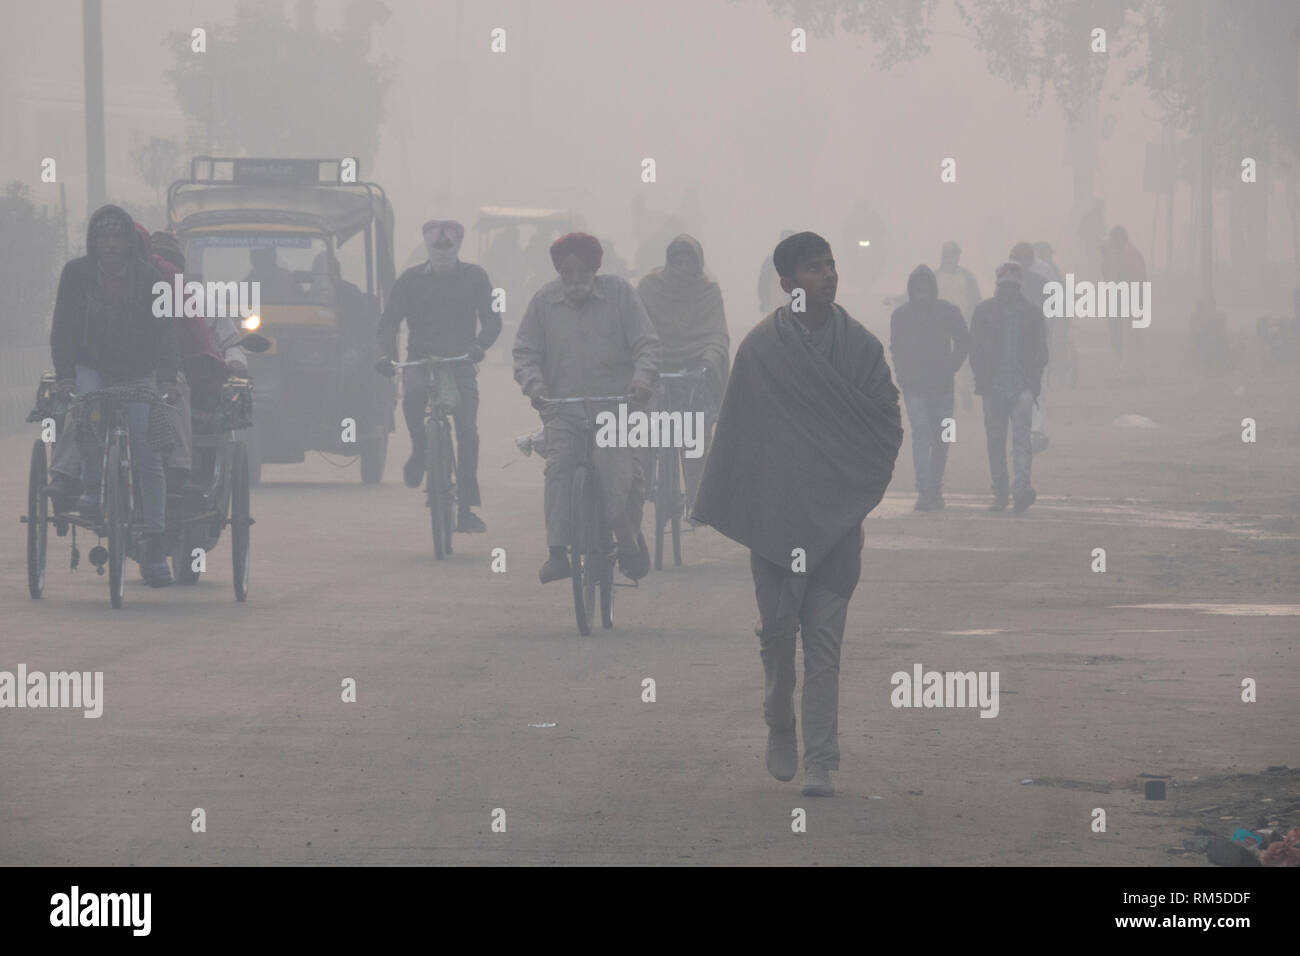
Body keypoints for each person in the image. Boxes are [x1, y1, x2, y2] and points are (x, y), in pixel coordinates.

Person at [692, 232, 903, 798]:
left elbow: (885, 423)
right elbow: (737, 433)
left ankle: (820, 761)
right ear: (787, 284)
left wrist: (846, 486)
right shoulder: (761, 350)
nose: (828, 276)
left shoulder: (861, 349)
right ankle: (778, 722)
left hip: (836, 527)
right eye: (813, 268)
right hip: (776, 523)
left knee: (825, 646)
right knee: (779, 641)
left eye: (830, 265)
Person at [513, 232, 659, 585]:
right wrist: (536, 388)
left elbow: (646, 344)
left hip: (616, 407)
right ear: (558, 272)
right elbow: (525, 353)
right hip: (562, 409)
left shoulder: (621, 295)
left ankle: (627, 540)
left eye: (582, 273)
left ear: (595, 269)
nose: (575, 280)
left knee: (618, 482)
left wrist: (641, 380)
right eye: (567, 273)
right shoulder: (543, 302)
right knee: (559, 469)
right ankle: (557, 552)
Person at [48, 204, 179, 586]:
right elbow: (63, 327)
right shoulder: (76, 275)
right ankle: (91, 487)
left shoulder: (151, 278)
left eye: (117, 237)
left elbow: (166, 332)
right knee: (86, 410)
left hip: (138, 373)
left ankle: (154, 542)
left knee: (147, 450)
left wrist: (168, 377)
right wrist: (66, 375)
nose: (110, 245)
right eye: (103, 237)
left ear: (129, 242)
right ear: (94, 241)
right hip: (91, 368)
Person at [378, 219, 498, 532]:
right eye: (437, 247)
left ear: (458, 247)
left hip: (460, 362)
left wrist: (479, 346)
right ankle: (420, 449)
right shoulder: (410, 281)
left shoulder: (475, 278)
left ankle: (467, 507)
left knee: (468, 433)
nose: (443, 252)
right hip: (421, 361)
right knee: (413, 400)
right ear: (427, 247)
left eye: (449, 247)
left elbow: (492, 320)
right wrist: (387, 357)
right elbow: (389, 322)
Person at [635, 234, 730, 516]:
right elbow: (638, 330)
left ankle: (697, 501)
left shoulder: (708, 292)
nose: (682, 266)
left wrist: (708, 363)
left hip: (694, 372)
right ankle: (639, 493)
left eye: (688, 260)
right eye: (677, 260)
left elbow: (717, 334)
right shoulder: (649, 288)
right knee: (642, 437)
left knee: (696, 439)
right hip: (654, 370)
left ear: (698, 263)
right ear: (668, 261)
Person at [968, 261, 1049, 514]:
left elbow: (1041, 353)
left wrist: (1032, 383)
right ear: (998, 286)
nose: (1009, 291)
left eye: (1013, 286)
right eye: (1005, 286)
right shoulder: (983, 312)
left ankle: (1021, 489)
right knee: (996, 441)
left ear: (1019, 286)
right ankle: (1001, 493)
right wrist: (982, 380)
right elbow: (975, 350)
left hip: (1021, 386)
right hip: (993, 387)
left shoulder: (1033, 315)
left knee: (1021, 440)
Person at [889, 264, 969, 511]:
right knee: (922, 435)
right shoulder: (900, 315)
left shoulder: (948, 312)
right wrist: (902, 374)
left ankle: (934, 486)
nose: (922, 291)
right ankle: (926, 489)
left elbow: (964, 341)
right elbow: (896, 347)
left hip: (943, 387)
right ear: (912, 289)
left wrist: (952, 366)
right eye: (917, 287)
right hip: (914, 387)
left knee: (943, 438)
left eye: (925, 287)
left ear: (932, 288)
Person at [935, 241, 981, 413]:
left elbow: (976, 301)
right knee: (942, 361)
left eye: (955, 254)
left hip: (963, 324)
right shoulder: (935, 276)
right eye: (950, 254)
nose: (953, 258)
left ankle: (965, 393)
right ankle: (948, 395)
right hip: (940, 327)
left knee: (964, 364)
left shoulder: (967, 277)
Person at [1100, 225, 1146, 363]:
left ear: (1120, 239)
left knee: (1128, 326)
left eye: (1113, 240)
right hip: (1122, 293)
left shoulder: (1129, 253)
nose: (1112, 243)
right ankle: (1123, 351)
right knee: (1119, 324)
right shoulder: (1119, 252)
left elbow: (1134, 276)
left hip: (1129, 292)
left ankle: (1129, 353)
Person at [757, 229, 795, 314]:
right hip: (773, 309)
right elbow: (763, 284)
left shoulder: (801, 263)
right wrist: (765, 303)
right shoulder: (771, 261)